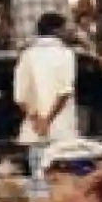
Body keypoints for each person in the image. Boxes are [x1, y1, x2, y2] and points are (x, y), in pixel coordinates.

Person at [14, 12, 81, 147]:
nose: (68, 32)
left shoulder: (27, 55)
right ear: (57, 31)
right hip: (61, 130)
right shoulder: (66, 54)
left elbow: (20, 96)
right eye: (65, 28)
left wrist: (36, 120)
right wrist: (47, 121)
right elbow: (65, 91)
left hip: (33, 131)